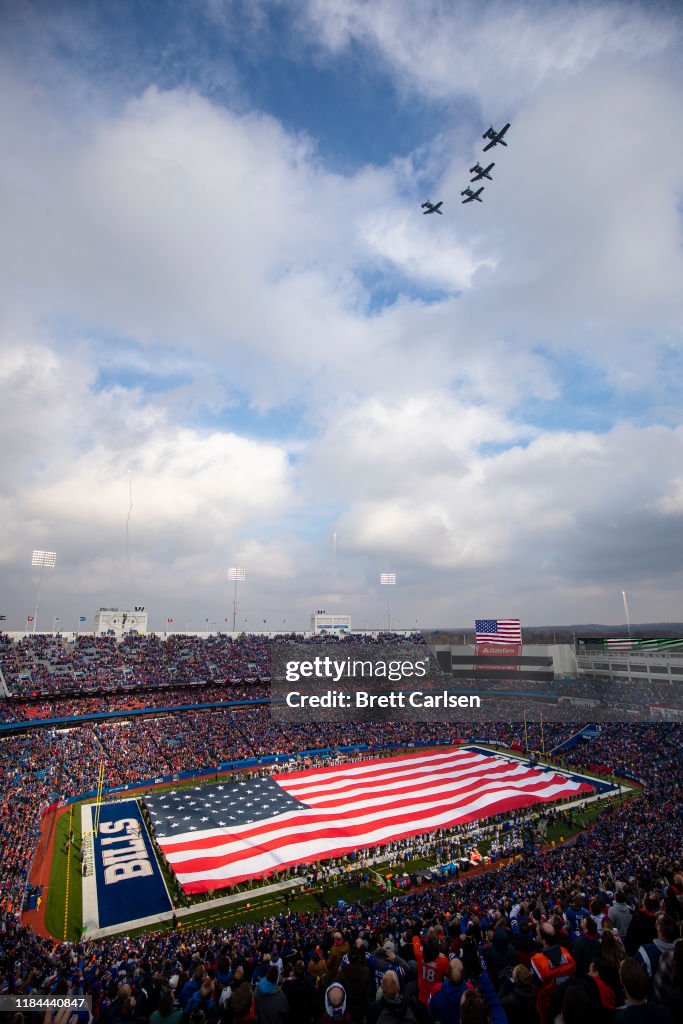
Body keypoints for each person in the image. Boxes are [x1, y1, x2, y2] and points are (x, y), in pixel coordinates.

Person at [530, 922, 576, 1024]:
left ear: (543, 939)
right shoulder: (566, 953)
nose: (536, 936)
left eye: (538, 934)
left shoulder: (537, 960)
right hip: (565, 1004)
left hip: (547, 1008)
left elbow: (534, 986)